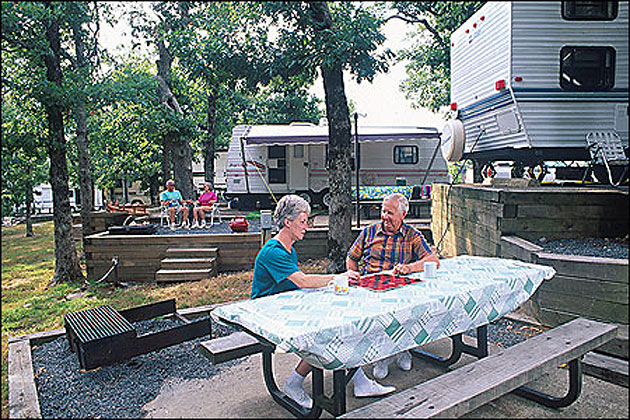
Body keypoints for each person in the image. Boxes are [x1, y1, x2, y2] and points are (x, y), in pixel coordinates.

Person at [252, 194, 396, 409]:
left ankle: (359, 381)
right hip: (267, 315)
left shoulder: (288, 248)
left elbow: (297, 285)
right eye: (303, 222)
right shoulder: (274, 251)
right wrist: (338, 277)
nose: (307, 227)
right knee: (328, 331)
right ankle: (295, 384)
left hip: (285, 307)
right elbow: (302, 281)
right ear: (287, 222)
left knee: (342, 324)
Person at [346, 192, 440, 380]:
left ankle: (402, 348)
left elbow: (433, 260)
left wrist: (409, 267)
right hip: (368, 288)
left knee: (405, 309)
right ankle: (384, 355)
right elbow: (351, 258)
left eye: (390, 213)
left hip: (398, 289)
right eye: (383, 211)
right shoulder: (369, 232)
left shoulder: (412, 235)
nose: (385, 217)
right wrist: (352, 277)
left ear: (403, 215)